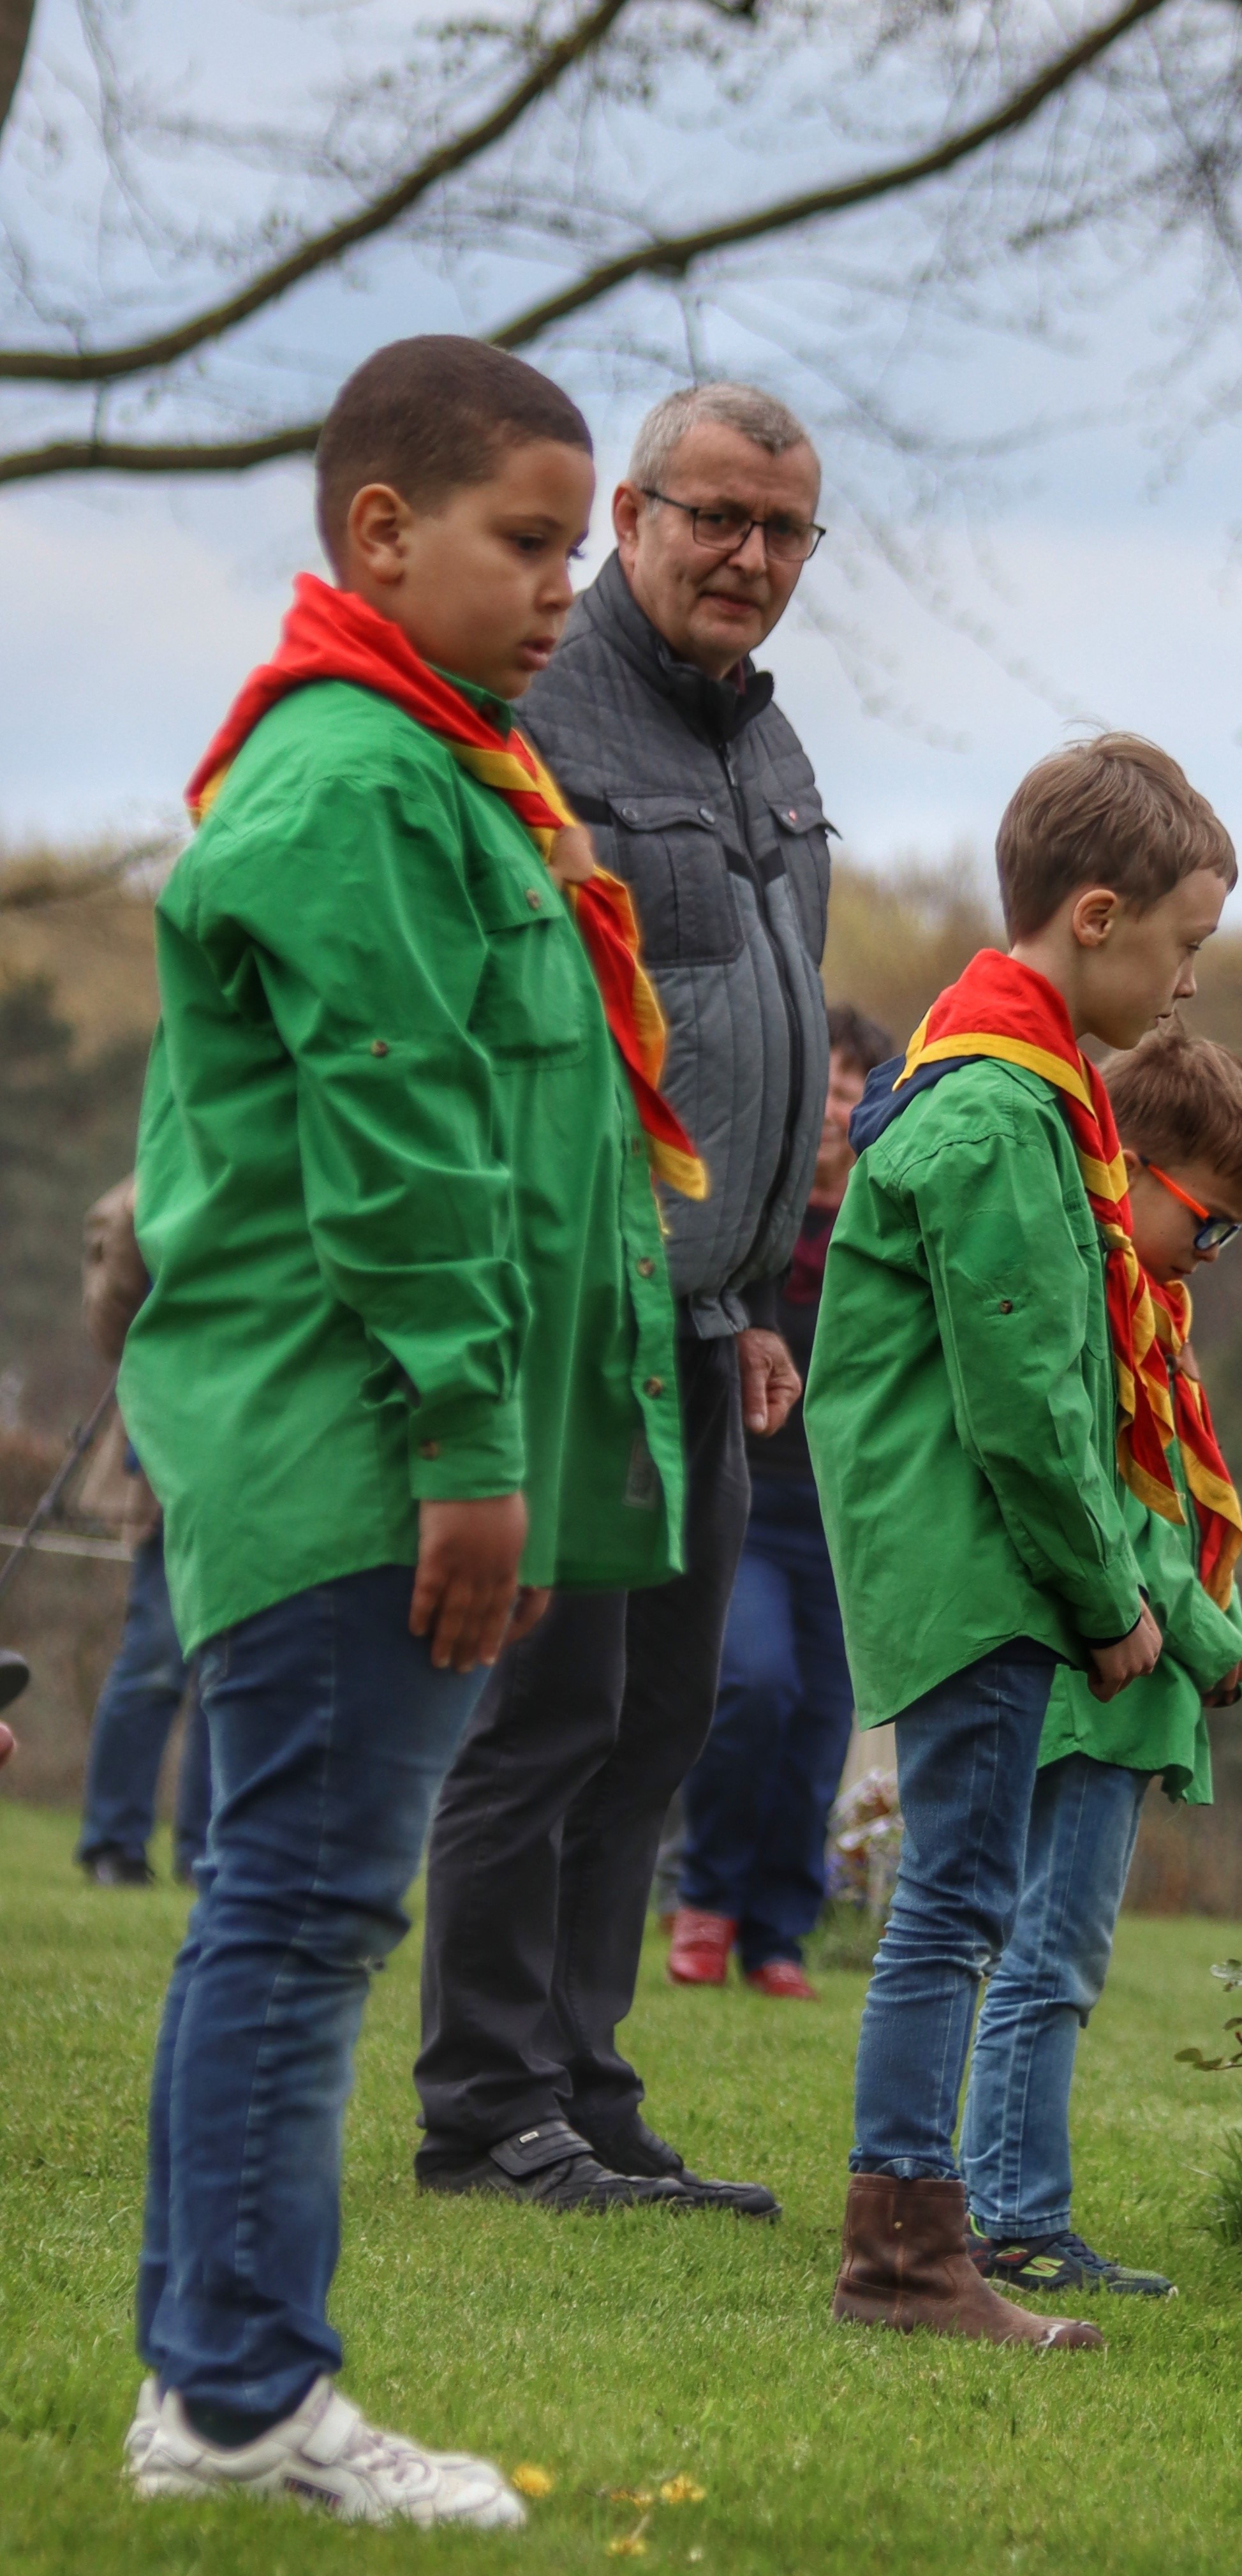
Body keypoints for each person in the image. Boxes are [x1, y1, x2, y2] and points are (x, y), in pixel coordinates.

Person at [121, 333, 700, 2524]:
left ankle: (209, 2387)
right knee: (295, 1915)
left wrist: (520, 1456)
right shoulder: (365, 780)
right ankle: (251, 2402)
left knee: (280, 1911)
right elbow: (405, 1153)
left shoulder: (446, 775)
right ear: (382, 531)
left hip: (397, 1443)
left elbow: (530, 1164)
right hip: (353, 1441)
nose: (569, 586)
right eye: (531, 541)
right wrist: (471, 1447)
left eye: (572, 546)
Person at [410, 381, 830, 2215]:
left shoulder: (770, 743)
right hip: (572, 1309)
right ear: (634, 517)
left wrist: (743, 1299)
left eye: (783, 531)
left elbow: (739, 1050)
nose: (748, 557)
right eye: (714, 518)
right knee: (546, 1719)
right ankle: (485, 2103)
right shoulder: (544, 721)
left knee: (660, 1721)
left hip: (701, 1318)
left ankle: (579, 2082)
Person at [806, 732, 1238, 2349]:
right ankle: (908, 2263)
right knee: (951, 1916)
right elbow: (1027, 1409)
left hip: (963, 1557)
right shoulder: (999, 1116)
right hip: (978, 1563)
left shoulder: (995, 1076)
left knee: (956, 1907)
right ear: (1103, 913)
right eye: (1185, 947)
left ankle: (920, 2252)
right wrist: (1107, 1593)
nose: (1188, 987)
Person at [960, 1022, 1242, 2298]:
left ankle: (1005, 2200)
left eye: (1230, 1236)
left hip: (1124, 1685)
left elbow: (1183, 1500)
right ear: (1130, 1163)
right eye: (1206, 1219)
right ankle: (1012, 2213)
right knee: (1048, 1956)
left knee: (1048, 1954)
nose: (1211, 1252)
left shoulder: (1156, 1310)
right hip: (1098, 1679)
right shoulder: (1105, 1302)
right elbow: (1111, 1497)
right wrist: (1210, 1634)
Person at [667, 999, 891, 1998]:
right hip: (747, 1499)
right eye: (829, 1085)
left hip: (843, 1519)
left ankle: (777, 1932)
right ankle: (703, 1896)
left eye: (857, 1091)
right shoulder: (748, 1219)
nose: (838, 1107)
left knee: (818, 1729)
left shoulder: (882, 1227)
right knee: (754, 1686)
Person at [73, 1176, 213, 1886]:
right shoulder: (147, 1195)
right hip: (166, 1450)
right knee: (158, 1649)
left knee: (236, 1659)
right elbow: (110, 1329)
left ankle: (208, 1852)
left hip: (260, 1447)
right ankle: (113, 1842)